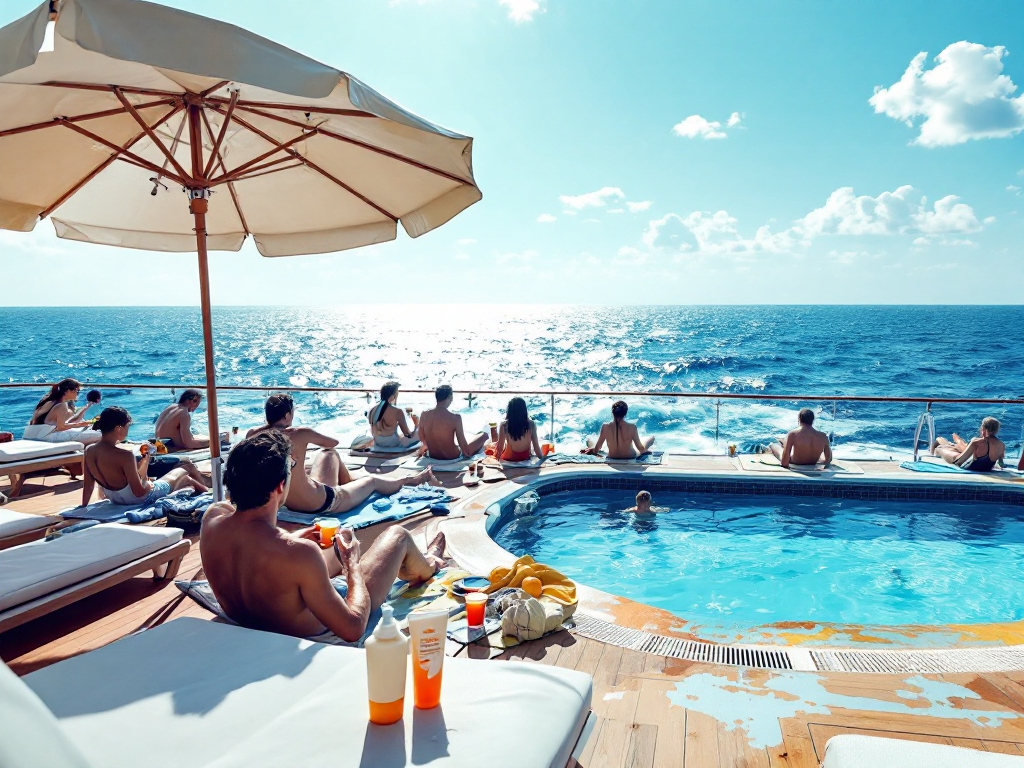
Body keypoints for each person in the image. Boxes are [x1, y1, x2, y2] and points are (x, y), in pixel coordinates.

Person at [201, 430, 446, 642]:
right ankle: (431, 563)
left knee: (333, 549)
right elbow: (353, 628)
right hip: (317, 634)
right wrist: (352, 565)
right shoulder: (299, 554)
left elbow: (254, 541)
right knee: (398, 536)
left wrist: (297, 536)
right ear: (280, 486)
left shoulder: (212, 521)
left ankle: (420, 561)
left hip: (248, 618)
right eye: (292, 468)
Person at [248, 393, 435, 514]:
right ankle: (411, 480)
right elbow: (332, 443)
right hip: (319, 503)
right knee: (371, 481)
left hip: (285, 501)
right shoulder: (300, 433)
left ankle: (350, 482)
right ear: (287, 415)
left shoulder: (252, 435)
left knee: (327, 456)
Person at [81, 407, 207, 507]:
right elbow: (139, 493)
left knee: (186, 480)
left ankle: (202, 490)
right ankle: (209, 496)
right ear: (118, 428)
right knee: (185, 468)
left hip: (115, 499)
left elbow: (88, 486)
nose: (127, 431)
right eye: (127, 427)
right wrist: (147, 478)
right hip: (139, 499)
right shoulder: (125, 456)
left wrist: (83, 507)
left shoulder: (89, 451)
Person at [418, 384, 488, 460]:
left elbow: (422, 438)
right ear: (449, 397)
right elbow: (464, 448)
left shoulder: (424, 415)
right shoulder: (455, 418)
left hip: (433, 455)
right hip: (452, 457)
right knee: (484, 435)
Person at [26, 378, 100, 444]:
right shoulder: (62, 405)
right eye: (77, 391)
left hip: (41, 435)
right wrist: (81, 424)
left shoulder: (52, 401)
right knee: (100, 435)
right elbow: (61, 427)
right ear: (68, 391)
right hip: (49, 437)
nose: (77, 394)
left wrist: (85, 421)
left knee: (87, 430)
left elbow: (66, 422)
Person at [932, 417, 1006, 472]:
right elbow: (1001, 463)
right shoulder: (1001, 445)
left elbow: (959, 462)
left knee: (940, 448)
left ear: (983, 428)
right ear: (996, 430)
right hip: (984, 468)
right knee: (955, 448)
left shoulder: (976, 442)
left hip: (966, 464)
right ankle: (954, 443)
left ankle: (941, 442)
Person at [586, 401, 655, 459]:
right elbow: (640, 448)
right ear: (625, 413)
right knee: (651, 438)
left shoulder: (605, 427)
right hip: (630, 456)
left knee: (591, 441)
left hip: (612, 456)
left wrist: (593, 451)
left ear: (612, 412)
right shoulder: (632, 427)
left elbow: (597, 448)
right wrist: (647, 451)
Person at [368, 381, 419, 449]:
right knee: (419, 432)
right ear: (392, 396)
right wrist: (416, 425)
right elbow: (407, 434)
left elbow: (373, 432)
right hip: (393, 444)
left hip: (378, 443)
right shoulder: (398, 411)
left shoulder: (372, 410)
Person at [494, 396, 543, 461]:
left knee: (494, 445)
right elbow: (537, 449)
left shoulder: (504, 425)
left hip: (509, 458)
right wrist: (542, 458)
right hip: (525, 457)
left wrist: (496, 460)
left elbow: (500, 449)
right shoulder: (531, 424)